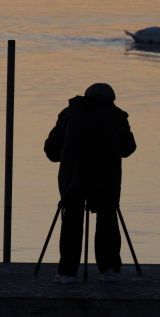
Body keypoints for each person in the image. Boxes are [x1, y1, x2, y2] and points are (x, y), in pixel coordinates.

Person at [44, 83, 136, 283]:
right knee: (107, 219)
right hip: (105, 178)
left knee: (72, 220)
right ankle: (110, 270)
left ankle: (67, 273)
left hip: (73, 177)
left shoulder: (68, 113)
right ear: (111, 100)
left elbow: (51, 151)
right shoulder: (117, 115)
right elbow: (129, 148)